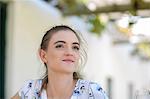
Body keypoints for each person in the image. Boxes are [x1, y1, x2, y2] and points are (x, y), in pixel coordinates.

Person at [11, 25, 108, 99]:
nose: (70, 53)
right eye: (60, 46)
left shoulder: (92, 92)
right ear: (43, 55)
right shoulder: (29, 90)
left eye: (75, 47)